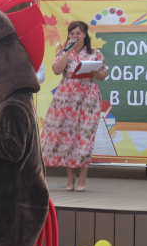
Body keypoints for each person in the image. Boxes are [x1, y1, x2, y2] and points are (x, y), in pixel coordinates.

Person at [41, 21, 107, 192]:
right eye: (72, 34)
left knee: (85, 137)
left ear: (85, 34)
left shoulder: (95, 53)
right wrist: (67, 51)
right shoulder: (64, 51)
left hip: (88, 99)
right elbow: (56, 70)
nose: (75, 36)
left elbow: (102, 76)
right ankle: (71, 177)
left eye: (78, 33)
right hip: (66, 100)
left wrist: (94, 71)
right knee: (67, 137)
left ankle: (83, 176)